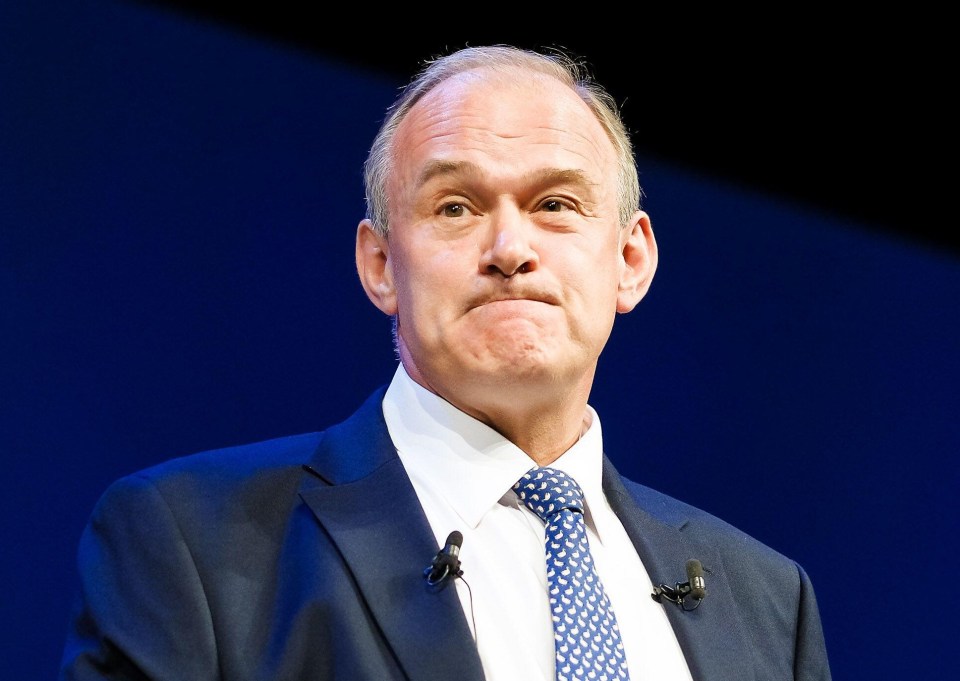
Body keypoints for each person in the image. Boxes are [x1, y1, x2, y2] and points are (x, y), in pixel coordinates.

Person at [59, 44, 832, 681]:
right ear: (380, 264)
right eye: (455, 207)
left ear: (630, 260)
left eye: (556, 205)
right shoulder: (193, 545)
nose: (510, 250)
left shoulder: (766, 599)